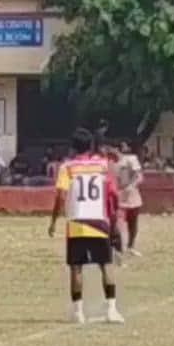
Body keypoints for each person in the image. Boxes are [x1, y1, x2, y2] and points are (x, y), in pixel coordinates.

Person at [48, 128, 124, 325]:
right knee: (106, 265)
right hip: (99, 219)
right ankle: (111, 309)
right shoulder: (102, 166)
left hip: (77, 222)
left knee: (76, 267)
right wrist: (114, 217)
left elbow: (61, 195)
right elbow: (113, 194)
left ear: (73, 146)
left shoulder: (67, 167)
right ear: (91, 146)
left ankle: (78, 312)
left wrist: (54, 219)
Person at [114, 140, 145, 256]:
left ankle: (131, 246)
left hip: (131, 194)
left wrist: (131, 187)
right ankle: (118, 249)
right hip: (119, 195)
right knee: (118, 224)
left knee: (133, 222)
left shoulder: (131, 159)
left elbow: (139, 177)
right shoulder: (111, 163)